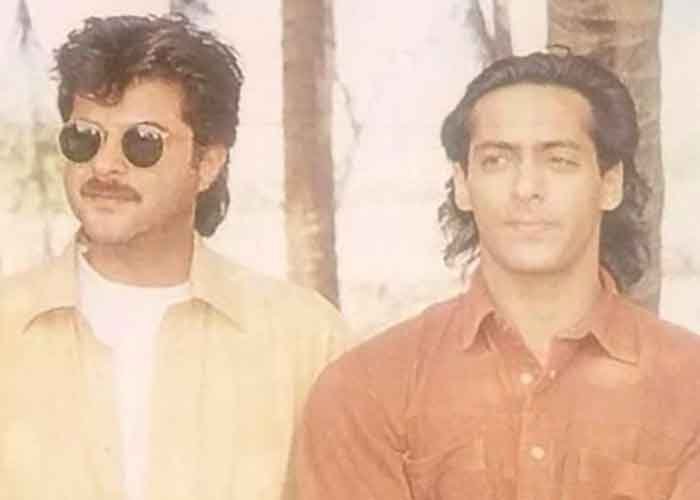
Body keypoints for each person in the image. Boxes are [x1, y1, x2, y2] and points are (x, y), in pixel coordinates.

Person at [296, 51, 700, 499]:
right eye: (496, 161)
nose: (526, 188)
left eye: (559, 160)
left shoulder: (689, 385)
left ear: (609, 184)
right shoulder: (368, 389)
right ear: (463, 185)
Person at [0, 14, 346, 500]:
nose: (104, 165)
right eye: (84, 137)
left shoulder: (304, 339)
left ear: (207, 164)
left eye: (143, 142)